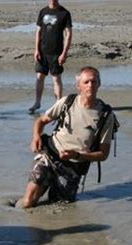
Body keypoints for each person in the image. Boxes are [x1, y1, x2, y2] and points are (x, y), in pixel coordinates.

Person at [19, 66, 116, 208]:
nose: (90, 85)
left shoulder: (106, 115)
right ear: (78, 86)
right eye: (86, 82)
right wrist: (36, 137)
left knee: (59, 206)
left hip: (73, 167)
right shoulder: (67, 102)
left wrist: (77, 155)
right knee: (28, 203)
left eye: (94, 82)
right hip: (50, 156)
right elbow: (41, 121)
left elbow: (103, 154)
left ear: (99, 84)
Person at [28, 0, 72, 114]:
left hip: (56, 52)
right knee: (39, 76)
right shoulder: (43, 11)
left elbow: (68, 34)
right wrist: (36, 50)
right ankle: (37, 103)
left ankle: (58, 104)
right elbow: (38, 32)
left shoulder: (64, 13)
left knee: (56, 78)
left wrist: (64, 53)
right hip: (42, 51)